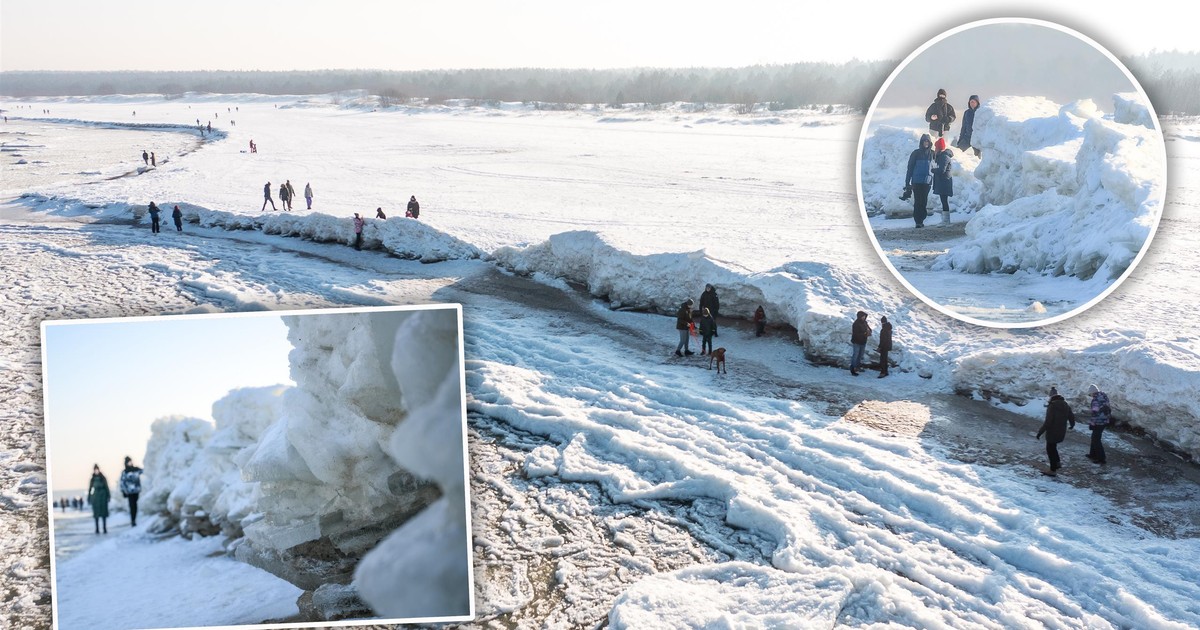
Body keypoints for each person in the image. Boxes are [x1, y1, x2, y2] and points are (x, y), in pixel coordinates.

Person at [1037, 388, 1076, 476]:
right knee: (1053, 447)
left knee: (1050, 449)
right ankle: (1057, 463)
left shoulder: (1052, 406)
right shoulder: (1065, 404)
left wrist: (1040, 432)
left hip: (1052, 431)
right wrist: (1072, 424)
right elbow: (1071, 416)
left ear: (1051, 396)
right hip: (1061, 431)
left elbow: (1048, 422)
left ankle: (1052, 470)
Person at [904, 134, 935, 228]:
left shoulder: (933, 153)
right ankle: (918, 221)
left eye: (927, 141)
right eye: (924, 141)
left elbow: (937, 166)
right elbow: (910, 168)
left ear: (930, 143)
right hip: (916, 181)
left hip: (927, 181)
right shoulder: (916, 153)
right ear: (921, 142)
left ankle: (922, 217)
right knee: (918, 201)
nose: (926, 143)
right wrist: (907, 182)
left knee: (924, 201)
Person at [1086, 384, 1112, 464]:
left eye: (1090, 394)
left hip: (1099, 422)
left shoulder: (1096, 400)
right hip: (1104, 420)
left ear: (1093, 392)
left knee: (1096, 439)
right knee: (1094, 437)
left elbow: (1095, 413)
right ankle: (1093, 454)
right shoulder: (1103, 396)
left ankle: (1101, 458)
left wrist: (1092, 423)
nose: (1090, 395)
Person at [933, 137, 954, 225]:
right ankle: (946, 220)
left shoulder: (944, 157)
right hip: (943, 181)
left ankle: (946, 221)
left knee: (944, 201)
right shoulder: (942, 156)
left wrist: (932, 170)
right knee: (944, 200)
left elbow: (942, 170)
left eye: (936, 147)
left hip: (944, 182)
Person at [119, 457, 144, 527]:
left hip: (136, 491)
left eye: (130, 462)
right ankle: (132, 520)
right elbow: (122, 482)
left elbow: (146, 471)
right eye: (128, 462)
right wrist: (123, 491)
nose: (129, 463)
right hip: (129, 492)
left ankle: (134, 519)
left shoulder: (136, 470)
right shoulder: (125, 472)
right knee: (132, 506)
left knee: (135, 506)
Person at [87, 464, 110, 534]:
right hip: (96, 497)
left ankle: (104, 528)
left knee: (104, 513)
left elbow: (107, 487)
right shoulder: (92, 479)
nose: (96, 471)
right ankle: (97, 528)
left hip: (103, 496)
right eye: (95, 469)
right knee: (96, 513)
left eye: (97, 469)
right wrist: (89, 497)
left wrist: (108, 495)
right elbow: (90, 489)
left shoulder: (103, 478)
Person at [850, 310, 871, 376]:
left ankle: (858, 367)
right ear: (859, 317)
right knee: (855, 355)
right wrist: (865, 333)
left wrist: (869, 331)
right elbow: (856, 334)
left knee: (860, 355)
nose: (864, 318)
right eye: (863, 316)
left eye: (864, 316)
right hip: (857, 341)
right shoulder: (856, 324)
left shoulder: (865, 322)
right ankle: (852, 369)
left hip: (863, 341)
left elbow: (869, 329)